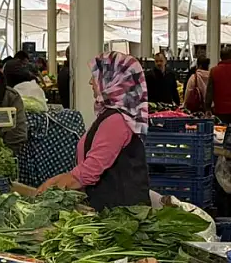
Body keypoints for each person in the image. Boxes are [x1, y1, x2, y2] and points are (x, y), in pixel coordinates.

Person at [38, 51, 149, 210]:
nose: (91, 82)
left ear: (114, 80)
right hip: (113, 208)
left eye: (96, 77)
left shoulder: (117, 121)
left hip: (121, 213)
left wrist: (52, 189)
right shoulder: (111, 115)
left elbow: (91, 170)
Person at [205, 47, 231, 125]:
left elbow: (210, 91)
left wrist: (208, 107)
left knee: (221, 133)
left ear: (220, 57)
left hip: (220, 109)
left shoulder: (214, 71)